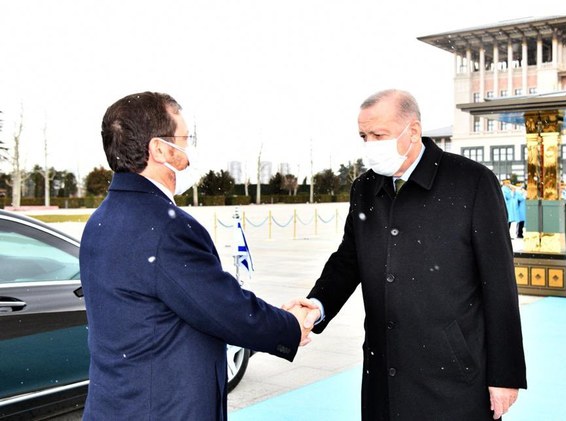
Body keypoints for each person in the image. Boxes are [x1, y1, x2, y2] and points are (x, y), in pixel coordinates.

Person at [285, 89, 527, 420]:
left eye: (378, 135)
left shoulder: (471, 182)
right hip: (385, 370)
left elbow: (499, 283)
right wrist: (318, 305)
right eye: (363, 136)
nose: (370, 144)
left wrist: (505, 376)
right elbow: (349, 259)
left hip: (453, 374)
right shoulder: (365, 188)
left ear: (412, 131)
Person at [79, 92, 309, 420]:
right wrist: (290, 327)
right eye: (185, 139)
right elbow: (224, 309)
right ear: (159, 148)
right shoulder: (166, 228)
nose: (189, 151)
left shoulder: (100, 219)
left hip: (115, 405)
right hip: (161, 409)